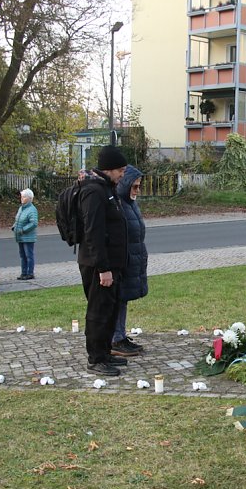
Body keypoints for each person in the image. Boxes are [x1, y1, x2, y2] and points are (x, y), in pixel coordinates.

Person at [77, 146, 129, 375]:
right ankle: (95, 358)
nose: (122, 175)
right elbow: (93, 233)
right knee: (98, 312)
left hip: (112, 265)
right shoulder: (93, 192)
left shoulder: (108, 189)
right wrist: (103, 268)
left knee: (109, 309)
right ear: (109, 169)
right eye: (120, 170)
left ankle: (105, 352)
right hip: (98, 265)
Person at [110, 166, 148, 357]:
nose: (137, 191)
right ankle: (115, 339)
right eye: (134, 187)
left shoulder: (130, 204)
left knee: (123, 299)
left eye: (139, 187)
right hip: (122, 261)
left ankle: (120, 335)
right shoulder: (118, 204)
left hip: (132, 257)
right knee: (117, 299)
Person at [12, 188, 38, 280]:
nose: (21, 198)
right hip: (20, 237)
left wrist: (23, 230)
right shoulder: (21, 208)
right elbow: (18, 219)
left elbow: (34, 223)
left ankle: (30, 273)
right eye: (21, 196)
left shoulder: (32, 209)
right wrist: (14, 226)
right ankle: (23, 272)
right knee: (22, 256)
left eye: (24, 197)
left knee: (28, 255)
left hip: (28, 237)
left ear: (29, 198)